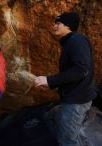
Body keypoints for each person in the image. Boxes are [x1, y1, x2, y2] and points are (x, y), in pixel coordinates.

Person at [34, 12, 96, 146]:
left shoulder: (76, 40)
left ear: (67, 26)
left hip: (76, 101)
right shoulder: (72, 41)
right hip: (77, 97)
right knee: (65, 129)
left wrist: (50, 81)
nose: (54, 26)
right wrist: (51, 85)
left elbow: (81, 70)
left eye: (58, 23)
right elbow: (75, 72)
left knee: (67, 141)